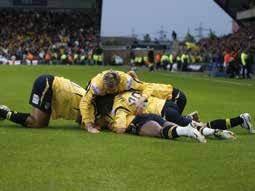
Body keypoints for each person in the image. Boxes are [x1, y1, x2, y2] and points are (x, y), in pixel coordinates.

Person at [110, 90, 254, 139]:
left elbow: (122, 123)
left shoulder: (119, 103)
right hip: (167, 104)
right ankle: (241, 120)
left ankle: (238, 121)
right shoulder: (131, 90)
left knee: (200, 127)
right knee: (193, 123)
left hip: (163, 113)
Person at [79, 70, 154, 133]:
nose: (109, 91)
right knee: (91, 110)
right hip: (98, 97)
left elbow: (148, 86)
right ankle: (89, 121)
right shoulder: (96, 86)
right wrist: (89, 126)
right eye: (107, 89)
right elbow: (84, 103)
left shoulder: (125, 80)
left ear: (118, 83)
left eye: (112, 89)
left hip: (118, 93)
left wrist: (141, 100)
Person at [0, 75, 86, 128]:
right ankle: (2, 112)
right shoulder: (90, 106)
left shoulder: (91, 102)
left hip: (52, 87)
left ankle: (3, 111)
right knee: (36, 123)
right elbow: (86, 124)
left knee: (43, 123)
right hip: (48, 84)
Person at [108, 113, 206, 143]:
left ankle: (187, 130)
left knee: (161, 132)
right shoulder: (128, 88)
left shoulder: (115, 106)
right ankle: (209, 131)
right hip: (149, 113)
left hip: (137, 121)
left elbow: (120, 130)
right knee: (169, 125)